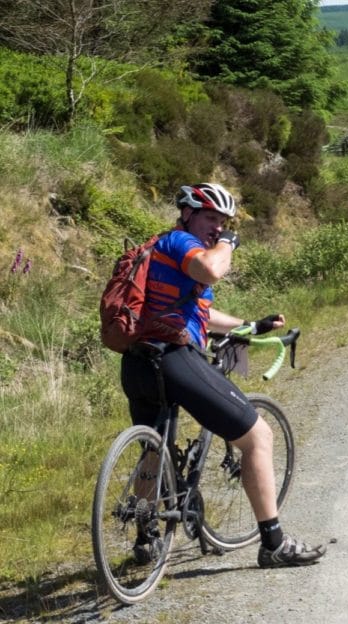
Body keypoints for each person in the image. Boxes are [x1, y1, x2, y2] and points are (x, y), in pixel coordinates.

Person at [120, 182, 326, 569]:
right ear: (186, 214)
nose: (218, 226)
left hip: (137, 363)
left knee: (155, 447)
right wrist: (229, 242)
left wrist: (251, 326)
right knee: (258, 435)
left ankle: (145, 537)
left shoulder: (163, 254)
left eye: (224, 221)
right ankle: (274, 543)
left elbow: (200, 314)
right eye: (211, 218)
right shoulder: (180, 243)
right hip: (174, 359)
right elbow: (213, 269)